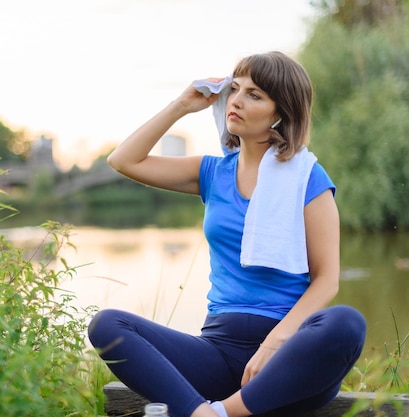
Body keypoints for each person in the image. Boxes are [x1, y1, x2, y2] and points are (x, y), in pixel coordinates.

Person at [87, 51, 366, 417]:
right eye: (235, 89)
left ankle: (222, 413)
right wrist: (181, 106)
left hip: (287, 362)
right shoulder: (212, 173)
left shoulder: (308, 179)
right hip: (217, 353)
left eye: (255, 94)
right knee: (108, 325)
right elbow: (123, 160)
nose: (236, 100)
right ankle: (205, 413)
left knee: (346, 323)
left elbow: (327, 280)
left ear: (280, 112)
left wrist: (273, 344)